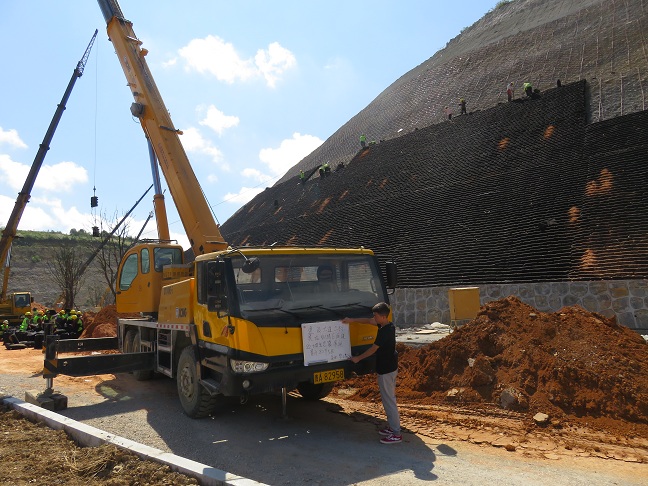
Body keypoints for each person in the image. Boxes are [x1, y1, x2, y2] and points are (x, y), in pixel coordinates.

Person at [344, 302, 401, 444]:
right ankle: (392, 428)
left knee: (389, 401)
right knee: (388, 399)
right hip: (388, 367)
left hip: (387, 370)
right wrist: (352, 320)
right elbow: (368, 321)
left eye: (375, 316)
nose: (373, 318)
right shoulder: (386, 325)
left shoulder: (384, 332)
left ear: (383, 316)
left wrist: (358, 358)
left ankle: (396, 433)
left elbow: (373, 349)